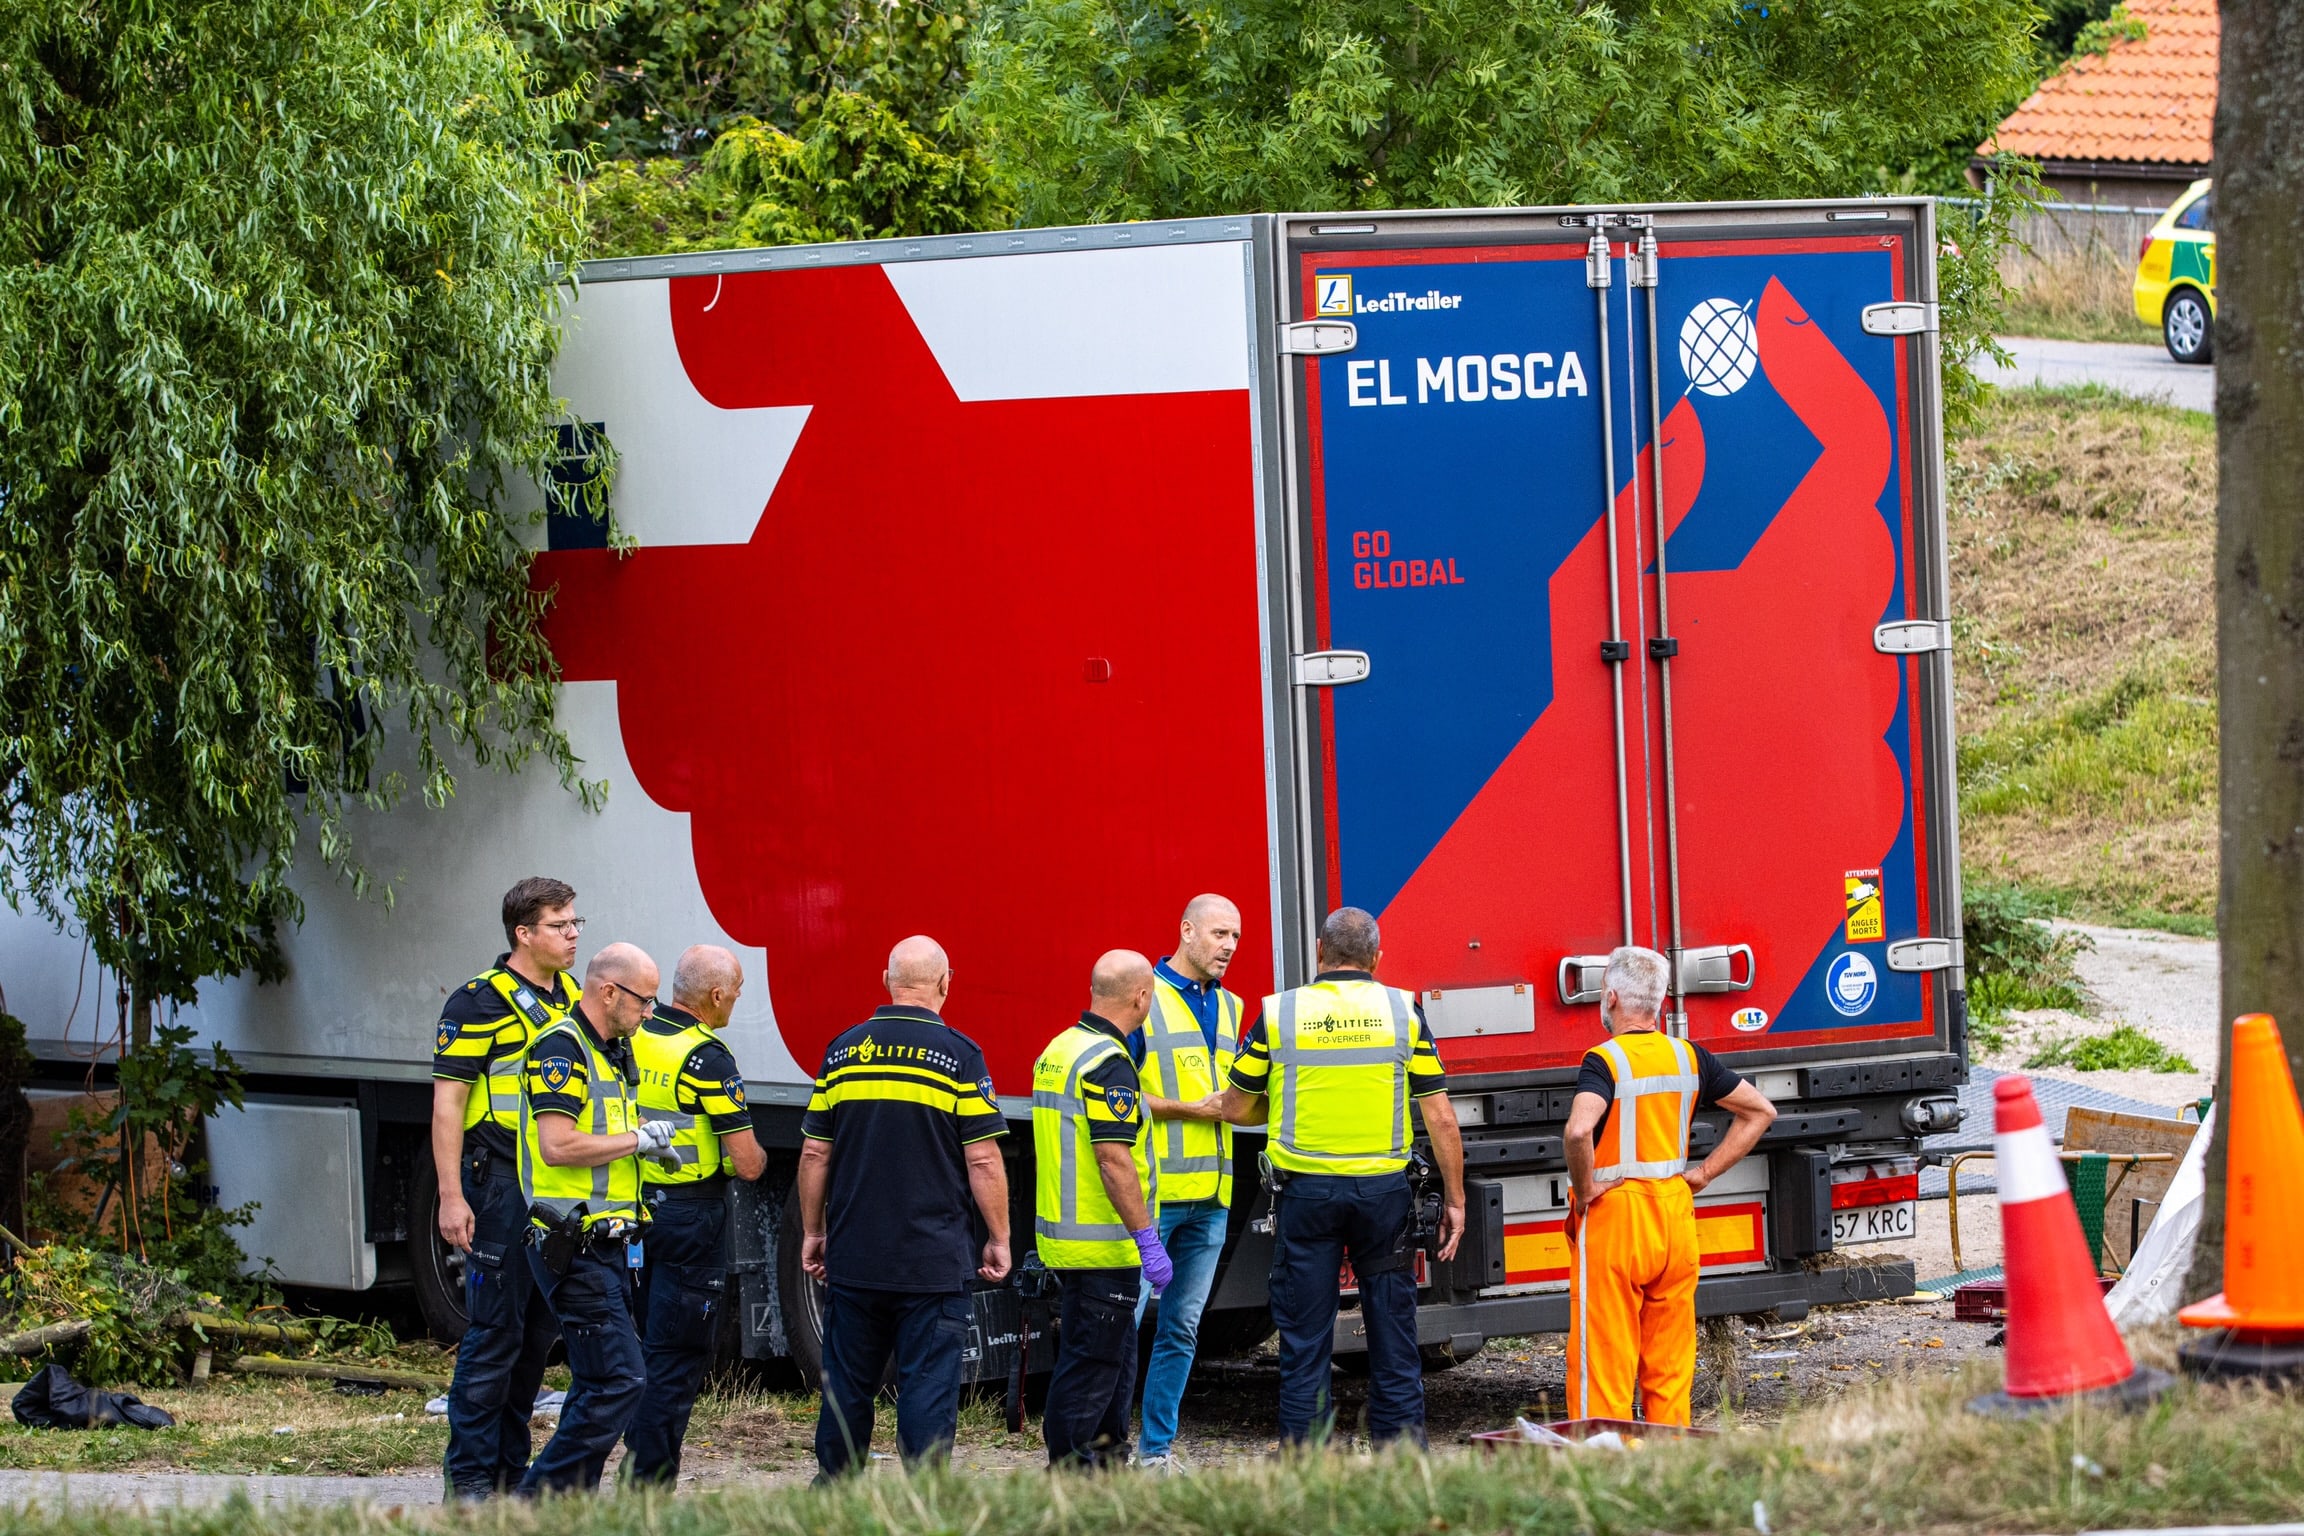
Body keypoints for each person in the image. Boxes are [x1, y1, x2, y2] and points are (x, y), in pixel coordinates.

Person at [1213, 906, 1465, 1448]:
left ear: (1320, 954)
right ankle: (1401, 1457)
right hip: (1383, 1197)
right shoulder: (1404, 1010)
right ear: (1377, 958)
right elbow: (1440, 1115)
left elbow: (1236, 1106)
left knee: (1305, 1336)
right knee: (1393, 1332)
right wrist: (1456, 1199)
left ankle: (1307, 1459)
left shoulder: (1279, 1013)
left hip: (1307, 1195)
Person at [800, 936, 1011, 1479]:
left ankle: (834, 1492)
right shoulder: (960, 1056)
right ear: (945, 983)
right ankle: (924, 1500)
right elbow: (983, 1159)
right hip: (932, 1261)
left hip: (856, 1258)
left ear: (886, 980)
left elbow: (816, 1150)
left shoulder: (843, 1050)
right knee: (927, 1384)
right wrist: (999, 1238)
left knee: (846, 1382)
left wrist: (812, 1231)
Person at [1562, 945, 1776, 1427]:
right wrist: (1702, 1174)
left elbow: (1578, 1131)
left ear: (1610, 996)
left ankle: (1604, 1465)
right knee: (1670, 1362)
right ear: (1658, 1002)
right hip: (1675, 1215)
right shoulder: (1689, 1057)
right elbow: (1760, 1111)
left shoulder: (1604, 1060)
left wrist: (1586, 1187)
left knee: (1604, 1361)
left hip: (1617, 1216)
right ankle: (1669, 1461)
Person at [431, 877, 581, 1500]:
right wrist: (449, 1195)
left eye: (576, 923)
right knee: (495, 1335)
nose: (574, 935)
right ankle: (468, 1477)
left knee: (537, 1336)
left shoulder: (572, 995)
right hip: (496, 1184)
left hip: (556, 1188)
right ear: (524, 934)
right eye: (560, 924)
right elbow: (447, 1106)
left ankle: (508, 1470)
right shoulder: (478, 1002)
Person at [516, 942, 676, 1495]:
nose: (650, 1013)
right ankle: (536, 1504)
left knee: (595, 1382)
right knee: (620, 1381)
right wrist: (636, 1141)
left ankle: (565, 1507)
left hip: (604, 1242)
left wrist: (642, 1151)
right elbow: (557, 1146)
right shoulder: (560, 1048)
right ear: (608, 991)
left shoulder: (610, 1048)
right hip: (572, 1240)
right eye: (645, 1001)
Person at [622, 945, 770, 1485]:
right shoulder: (706, 1057)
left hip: (634, 1211)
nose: (736, 999)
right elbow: (748, 1162)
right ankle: (648, 1483)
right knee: (677, 1354)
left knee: (639, 1345)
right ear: (714, 995)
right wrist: (752, 1159)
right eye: (735, 990)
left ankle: (632, 1463)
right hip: (690, 1219)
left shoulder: (633, 1036)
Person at [1033, 950, 1173, 1470]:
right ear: (1141, 997)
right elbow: (1113, 1159)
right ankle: (1071, 1475)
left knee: (1110, 1360)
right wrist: (1147, 1239)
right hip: (1101, 1245)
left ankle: (1107, 1464)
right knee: (1091, 1366)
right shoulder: (1108, 1063)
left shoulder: (1061, 1048)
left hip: (1070, 1241)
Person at [1129, 894, 1244, 1470]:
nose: (1228, 947)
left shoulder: (1232, 1007)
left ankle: (1154, 1455)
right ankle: (1100, 1449)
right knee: (1119, 1328)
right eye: (1219, 934)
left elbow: (1234, 1099)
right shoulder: (1142, 996)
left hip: (1212, 1198)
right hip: (1151, 1198)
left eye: (1235, 938)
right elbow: (1117, 1096)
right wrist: (1188, 1110)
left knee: (1181, 1329)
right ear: (1187, 931)